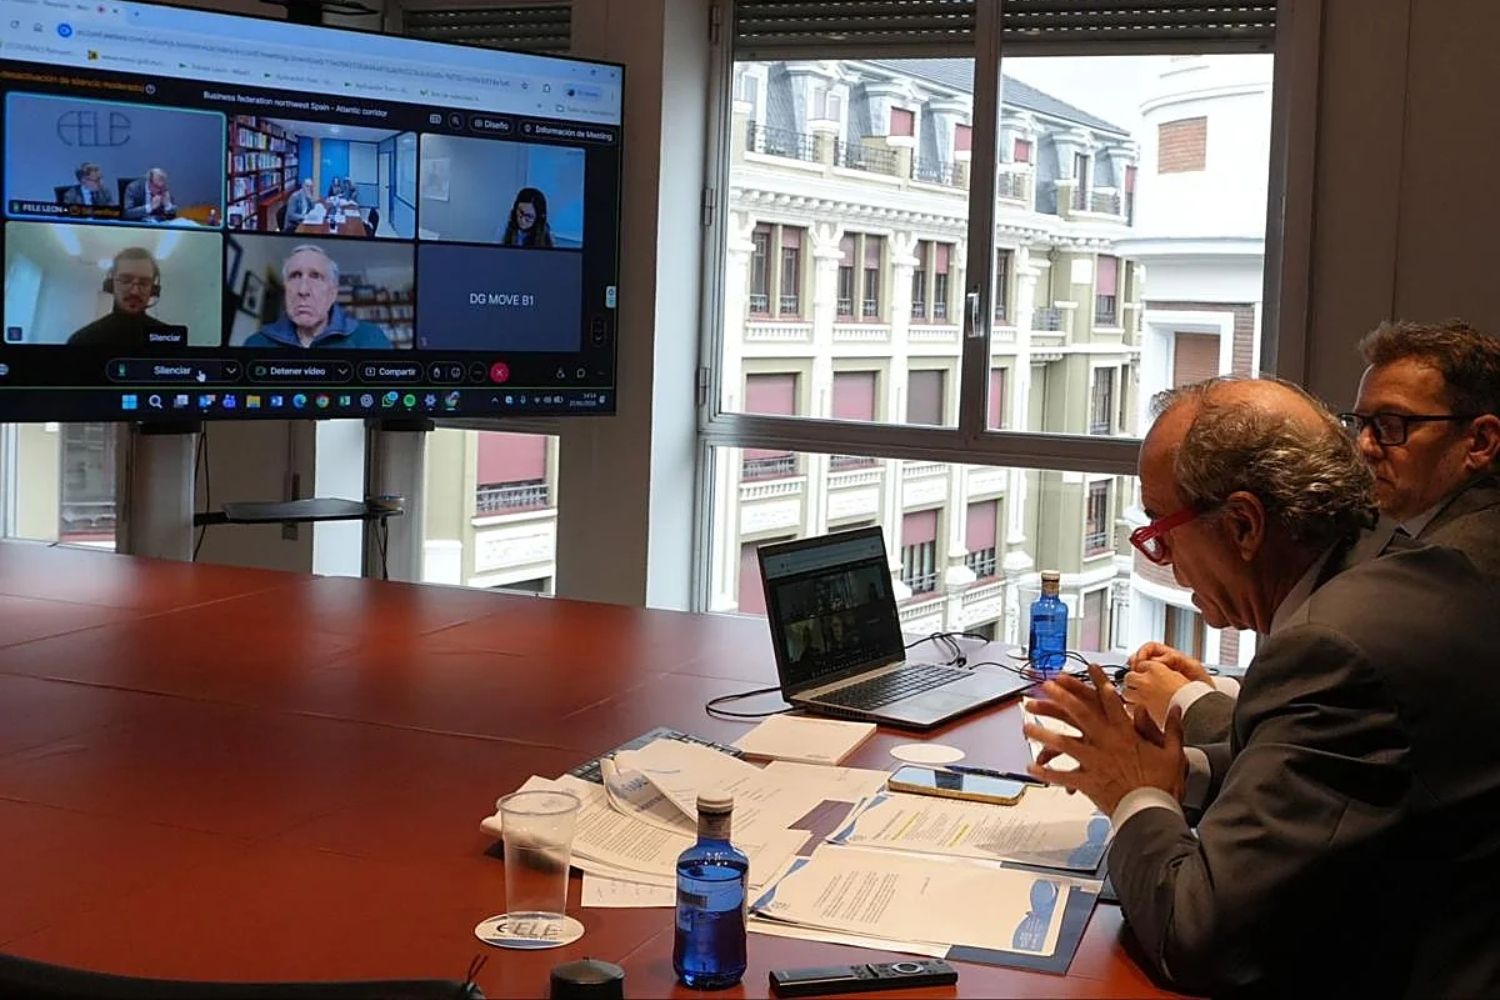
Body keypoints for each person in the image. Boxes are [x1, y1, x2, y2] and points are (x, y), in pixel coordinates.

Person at [1025, 377, 1500, 996]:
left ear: (1245, 525)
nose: (1163, 558)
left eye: (1161, 532)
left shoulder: (1331, 647)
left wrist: (1132, 794)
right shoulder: (1401, 569)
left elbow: (1196, 937)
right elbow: (1336, 777)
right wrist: (1183, 771)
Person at [1124, 319, 1500, 736]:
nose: (1365, 446)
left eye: (1392, 426)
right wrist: (1221, 691)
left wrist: (1186, 704)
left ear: (1481, 442)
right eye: (1360, 424)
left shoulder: (1462, 567)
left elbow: (1332, 750)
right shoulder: (1416, 538)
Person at [243, 245, 391, 349]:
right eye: (295, 276)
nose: (303, 290)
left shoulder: (370, 338)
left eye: (316, 276)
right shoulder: (256, 342)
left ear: (332, 293)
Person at [67, 247, 172, 347]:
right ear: (111, 284)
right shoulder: (82, 340)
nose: (134, 292)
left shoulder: (170, 339)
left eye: (144, 283)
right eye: (125, 280)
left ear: (153, 289)